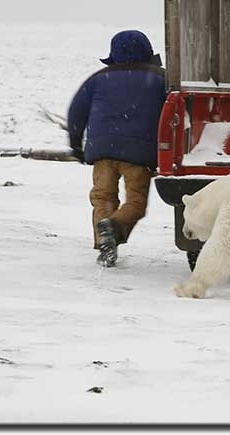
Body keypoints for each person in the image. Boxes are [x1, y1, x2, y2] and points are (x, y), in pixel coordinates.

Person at [67, 30, 167, 267]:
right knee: (135, 203)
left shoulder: (99, 78)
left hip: (102, 151)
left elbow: (76, 112)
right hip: (139, 153)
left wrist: (75, 144)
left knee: (103, 198)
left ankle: (104, 241)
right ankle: (114, 227)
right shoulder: (161, 79)